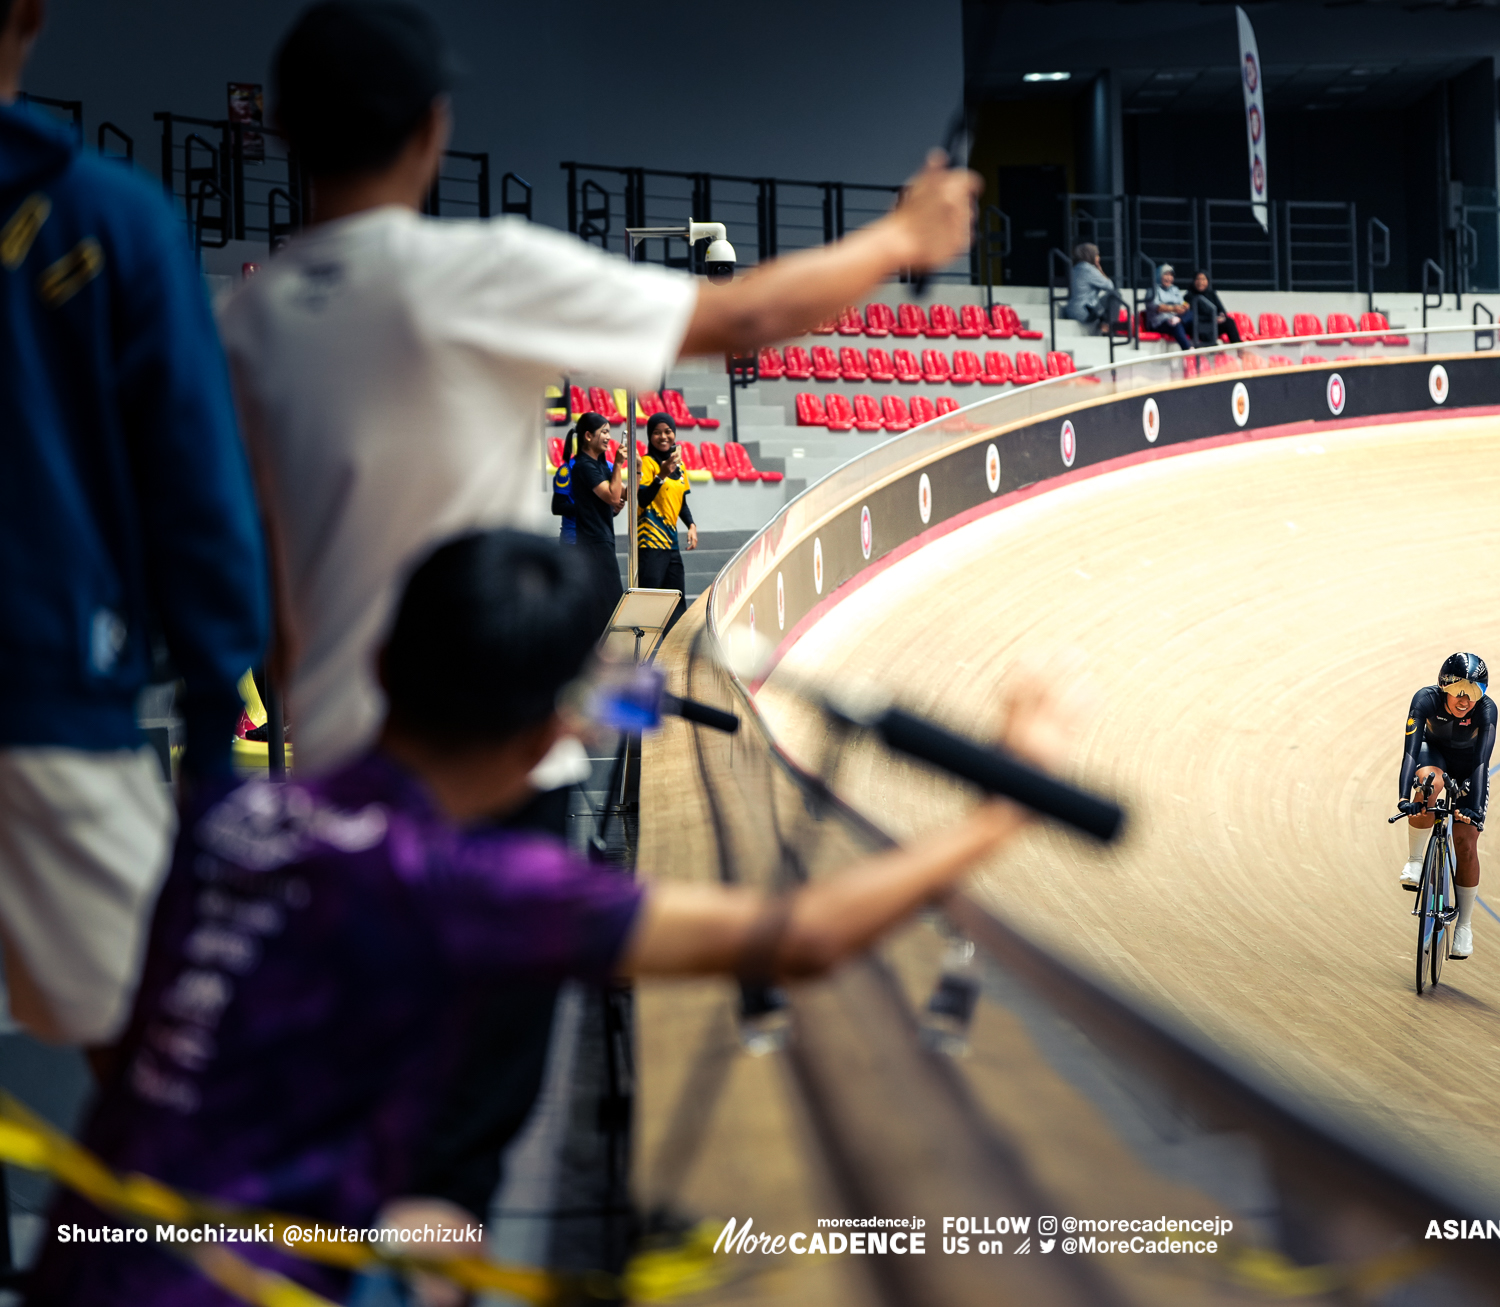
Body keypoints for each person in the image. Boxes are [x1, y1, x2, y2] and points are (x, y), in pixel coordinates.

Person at [221, 0, 979, 1239]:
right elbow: (734, 321)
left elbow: (249, 585)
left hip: (336, 784)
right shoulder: (472, 272)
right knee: (455, 1156)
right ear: (433, 127)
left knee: (348, 1123)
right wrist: (902, 233)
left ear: (285, 132)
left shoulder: (243, 323)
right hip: (492, 760)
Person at [24, 530, 1076, 1306]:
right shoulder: (470, 883)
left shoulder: (230, 813)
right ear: (543, 742)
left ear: (383, 664)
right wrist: (1001, 807)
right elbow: (802, 936)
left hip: (82, 1262)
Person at [0, 0, 268, 1050]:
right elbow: (198, 495)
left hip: (57, 697)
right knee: (168, 1083)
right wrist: (210, 739)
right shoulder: (112, 220)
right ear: (32, 11)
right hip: (48, 705)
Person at [1395, 653, 1495, 959]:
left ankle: (1464, 925)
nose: (1465, 700)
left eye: (1474, 691)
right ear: (1444, 687)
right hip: (1433, 755)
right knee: (1429, 784)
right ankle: (1415, 860)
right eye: (1459, 691)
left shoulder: (1487, 711)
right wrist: (1403, 798)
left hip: (1468, 768)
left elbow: (1482, 762)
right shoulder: (1425, 700)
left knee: (1465, 842)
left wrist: (1474, 808)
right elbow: (1410, 753)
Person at [567, 411, 626, 634]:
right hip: (593, 541)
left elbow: (624, 495)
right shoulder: (584, 465)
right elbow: (612, 496)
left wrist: (637, 469)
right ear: (588, 436)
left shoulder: (600, 465)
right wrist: (619, 466)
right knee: (611, 602)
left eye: (609, 432)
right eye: (604, 432)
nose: (609, 437)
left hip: (604, 538)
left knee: (608, 602)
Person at [637, 414, 694, 605]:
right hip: (650, 543)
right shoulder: (647, 463)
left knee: (676, 603)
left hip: (671, 544)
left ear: (674, 433)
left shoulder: (680, 466)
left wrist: (691, 525)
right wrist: (661, 475)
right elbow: (642, 499)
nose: (663, 437)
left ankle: (674, 637)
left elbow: (682, 503)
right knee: (650, 603)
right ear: (649, 436)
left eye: (668, 431)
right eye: (656, 432)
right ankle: (643, 637)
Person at [1065, 242, 1121, 335]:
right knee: (1115, 295)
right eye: (1096, 254)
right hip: (1083, 311)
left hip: (1071, 310)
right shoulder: (1088, 269)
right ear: (1090, 255)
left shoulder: (1075, 268)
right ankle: (1108, 329)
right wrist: (1099, 268)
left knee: (1101, 306)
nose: (1098, 257)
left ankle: (1105, 326)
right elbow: (1110, 286)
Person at [1146, 263, 1195, 351]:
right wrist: (1173, 308)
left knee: (1193, 314)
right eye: (1166, 274)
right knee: (1175, 325)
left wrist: (1185, 306)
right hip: (1160, 322)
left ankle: (1205, 348)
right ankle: (1188, 349)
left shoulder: (1174, 289)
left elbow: (1181, 302)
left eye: (1171, 275)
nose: (1169, 278)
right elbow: (1156, 307)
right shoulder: (1153, 290)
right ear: (1159, 275)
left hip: (1176, 317)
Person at [1190, 271, 1241, 345]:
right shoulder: (1189, 296)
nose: (1201, 282)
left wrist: (1221, 316)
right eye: (1198, 279)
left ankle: (1239, 348)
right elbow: (1192, 316)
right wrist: (1212, 318)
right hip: (1200, 327)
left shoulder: (1212, 294)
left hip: (1214, 324)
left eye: (1203, 279)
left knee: (1229, 322)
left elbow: (1222, 309)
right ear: (1194, 281)